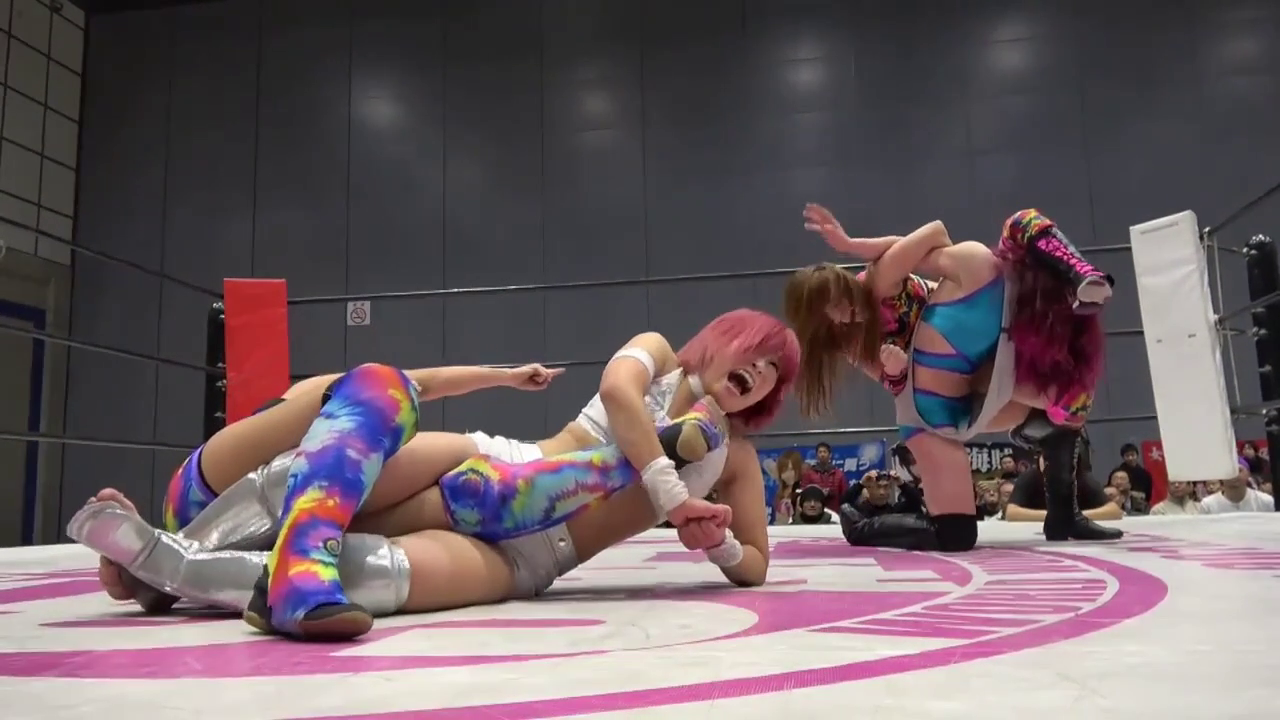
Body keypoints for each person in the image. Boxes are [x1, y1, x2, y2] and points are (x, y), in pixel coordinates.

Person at [71, 309, 800, 640]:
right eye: (755, 353)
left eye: (773, 374)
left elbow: (755, 567)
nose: (760, 373)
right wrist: (669, 490)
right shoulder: (658, 353)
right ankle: (184, 559)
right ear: (719, 339)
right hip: (499, 461)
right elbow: (617, 394)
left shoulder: (734, 459)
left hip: (534, 554)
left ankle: (160, 567)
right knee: (336, 473)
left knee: (378, 570)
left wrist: (719, 543)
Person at [784, 204, 1122, 549]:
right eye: (831, 313)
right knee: (955, 534)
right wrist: (895, 370)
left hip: (975, 353)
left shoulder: (878, 280)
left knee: (1068, 402)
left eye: (841, 300)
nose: (844, 312)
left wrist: (852, 245)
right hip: (934, 402)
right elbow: (893, 384)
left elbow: (935, 234)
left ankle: (1063, 512)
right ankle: (863, 525)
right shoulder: (850, 339)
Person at [1004, 452, 1123, 525]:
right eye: (1046, 460)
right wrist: (1053, 517)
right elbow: (1011, 513)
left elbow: (1114, 511)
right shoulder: (1029, 478)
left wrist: (1075, 517)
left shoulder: (1082, 478)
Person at [1200, 458, 1276, 514]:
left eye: (1239, 471)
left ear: (1248, 474)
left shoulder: (1265, 501)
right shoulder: (1208, 505)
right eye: (1229, 471)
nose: (1234, 475)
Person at [800, 442, 847, 510]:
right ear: (816, 455)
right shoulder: (809, 474)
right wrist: (818, 493)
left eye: (825, 452)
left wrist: (831, 492)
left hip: (834, 510)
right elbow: (804, 492)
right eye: (820, 452)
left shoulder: (839, 474)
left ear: (830, 455)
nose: (822, 454)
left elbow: (844, 494)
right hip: (815, 510)